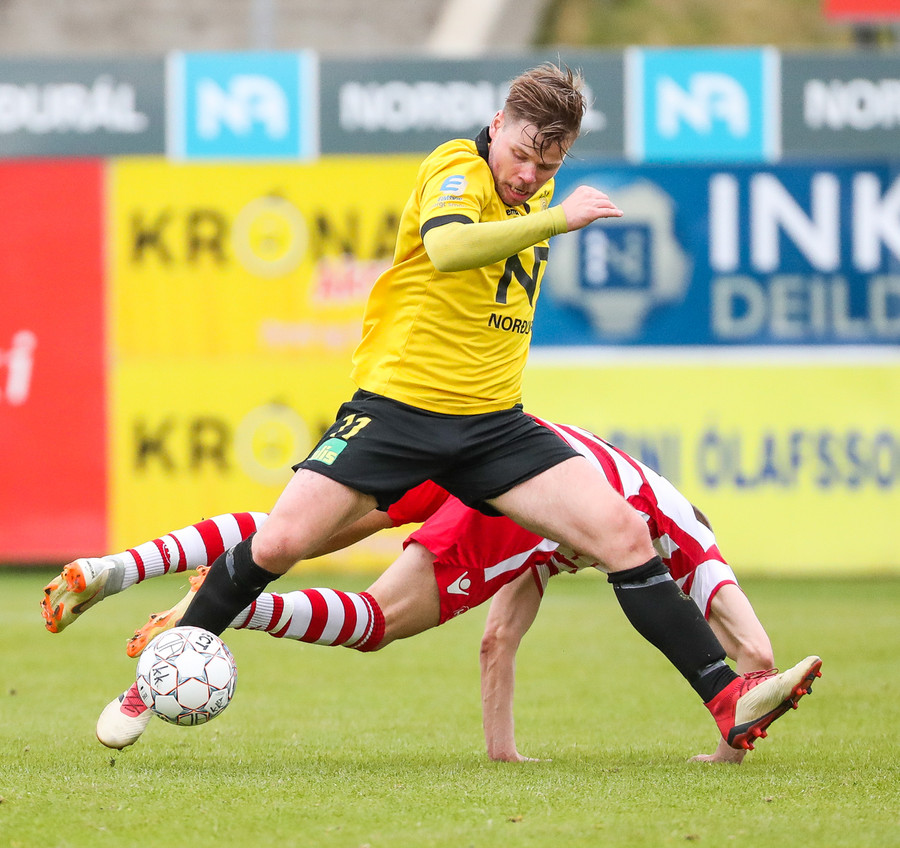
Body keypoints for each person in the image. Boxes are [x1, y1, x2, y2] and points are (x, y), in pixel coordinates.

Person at [48, 62, 819, 752]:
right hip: (399, 413)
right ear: (496, 125)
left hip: (495, 425)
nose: (528, 175)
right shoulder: (457, 166)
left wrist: (549, 204)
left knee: (623, 531)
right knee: (280, 542)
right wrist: (558, 217)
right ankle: (146, 685)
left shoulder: (537, 187)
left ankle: (727, 700)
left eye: (547, 166)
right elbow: (449, 248)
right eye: (521, 155)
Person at [42, 418, 821, 760]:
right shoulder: (675, 533)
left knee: (299, 528)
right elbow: (753, 651)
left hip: (463, 432)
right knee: (377, 617)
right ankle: (243, 606)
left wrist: (502, 752)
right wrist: (732, 736)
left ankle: (125, 567)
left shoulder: (583, 521)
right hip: (517, 477)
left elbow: (499, 638)